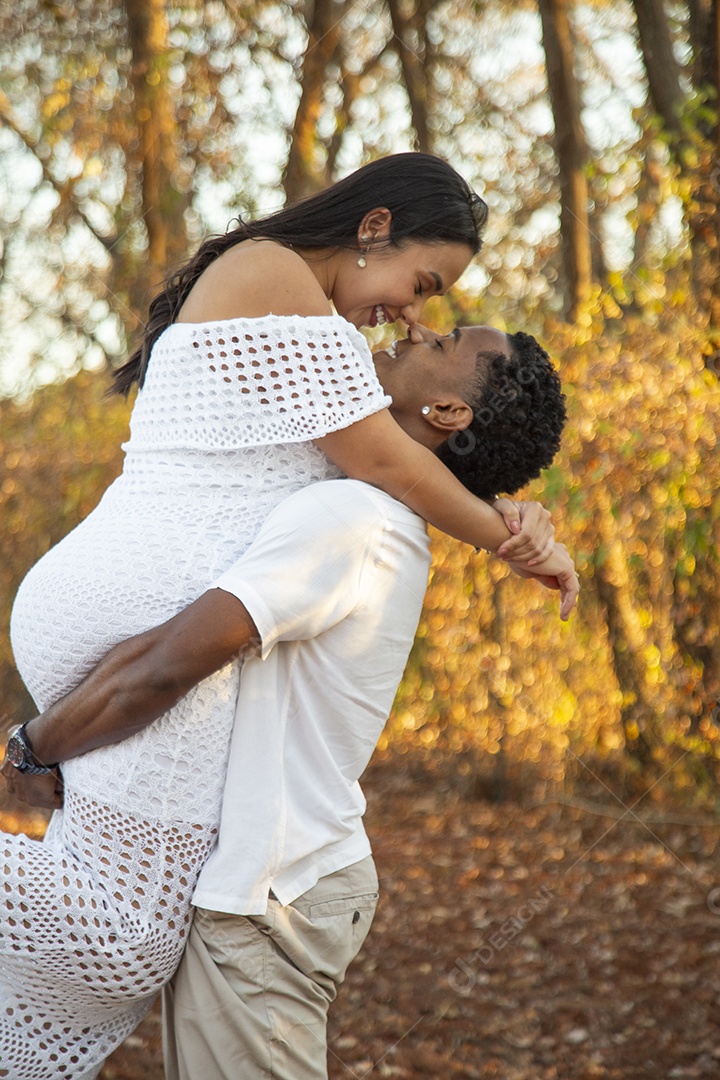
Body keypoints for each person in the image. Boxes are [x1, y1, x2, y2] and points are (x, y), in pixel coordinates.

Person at [3, 320, 574, 1079]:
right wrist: (508, 516)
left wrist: (34, 748)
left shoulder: (351, 520)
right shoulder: (363, 503)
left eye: (444, 343)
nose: (417, 328)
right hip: (269, 887)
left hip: (274, 895)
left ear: (447, 412)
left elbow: (166, 666)